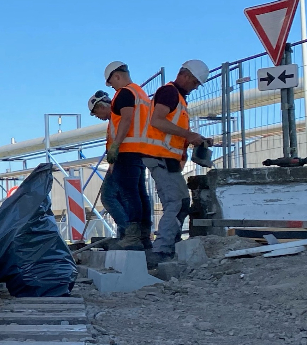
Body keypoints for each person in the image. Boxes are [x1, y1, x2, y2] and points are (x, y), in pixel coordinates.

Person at [141, 58, 218, 260]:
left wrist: (194, 138)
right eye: (194, 82)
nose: (194, 87)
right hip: (160, 157)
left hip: (167, 159)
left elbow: (173, 130)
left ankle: (171, 245)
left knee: (182, 202)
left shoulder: (179, 99)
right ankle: (162, 250)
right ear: (184, 75)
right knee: (175, 203)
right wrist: (188, 135)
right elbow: (157, 121)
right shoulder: (169, 93)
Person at [101, 61, 159, 251]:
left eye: (111, 83)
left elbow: (126, 118)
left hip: (127, 151)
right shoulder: (140, 93)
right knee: (140, 193)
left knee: (129, 194)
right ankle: (143, 236)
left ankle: (133, 236)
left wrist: (116, 144)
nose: (111, 88)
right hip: (141, 150)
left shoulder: (125, 93)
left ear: (117, 76)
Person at [87, 91, 131, 242]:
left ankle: (128, 232)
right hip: (121, 159)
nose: (97, 116)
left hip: (123, 159)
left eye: (96, 112)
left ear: (101, 106)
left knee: (108, 196)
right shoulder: (114, 119)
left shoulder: (118, 116)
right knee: (121, 197)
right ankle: (126, 234)